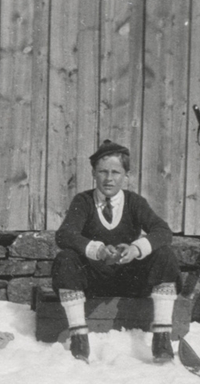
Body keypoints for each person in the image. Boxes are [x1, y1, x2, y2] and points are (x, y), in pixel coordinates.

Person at [52, 140, 181, 363]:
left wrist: (135, 248)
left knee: (165, 254)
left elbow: (163, 231)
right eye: (102, 172)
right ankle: (79, 338)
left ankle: (161, 338)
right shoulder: (83, 201)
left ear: (126, 176)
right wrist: (97, 249)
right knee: (66, 258)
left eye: (115, 172)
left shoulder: (134, 202)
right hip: (94, 280)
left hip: (130, 279)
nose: (109, 178)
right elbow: (65, 235)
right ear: (93, 173)